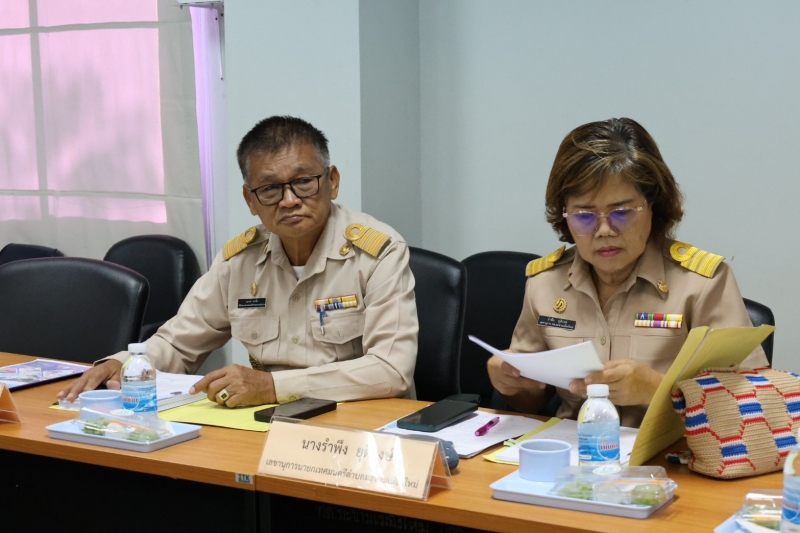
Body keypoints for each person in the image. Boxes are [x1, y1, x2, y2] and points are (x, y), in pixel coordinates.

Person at [59, 116, 418, 407]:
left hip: (360, 425)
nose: (289, 200)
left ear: (332, 181)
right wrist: (122, 364)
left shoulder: (378, 252)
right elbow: (179, 343)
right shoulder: (241, 260)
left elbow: (391, 371)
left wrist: (273, 387)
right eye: (270, 189)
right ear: (250, 200)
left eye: (304, 182)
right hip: (267, 423)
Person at [487, 118, 768, 428]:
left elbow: (750, 404)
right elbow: (531, 403)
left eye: (621, 213)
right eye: (584, 216)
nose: (604, 230)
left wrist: (657, 389)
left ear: (653, 206)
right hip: (575, 447)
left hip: (674, 451)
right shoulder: (545, 282)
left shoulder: (702, 283)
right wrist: (513, 385)